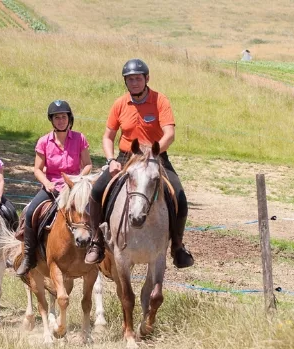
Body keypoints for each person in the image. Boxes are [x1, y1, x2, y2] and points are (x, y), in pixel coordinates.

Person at [83, 58, 194, 269]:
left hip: (156, 155)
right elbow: (108, 137)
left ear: (147, 78)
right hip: (127, 157)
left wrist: (155, 151)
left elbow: (169, 134)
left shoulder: (160, 100)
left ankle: (177, 246)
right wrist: (111, 160)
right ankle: (97, 241)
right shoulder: (119, 104)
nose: (134, 82)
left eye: (137, 78)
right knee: (97, 190)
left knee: (179, 194)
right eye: (130, 79)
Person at [15, 100, 93, 277]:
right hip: (52, 188)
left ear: (69, 118)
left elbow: (88, 164)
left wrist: (79, 178)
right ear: (52, 120)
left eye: (63, 117)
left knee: (95, 211)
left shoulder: (80, 138)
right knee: (30, 212)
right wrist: (47, 183)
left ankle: (99, 250)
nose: (60, 120)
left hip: (74, 188)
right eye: (57, 117)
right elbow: (37, 168)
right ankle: (28, 255)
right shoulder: (44, 141)